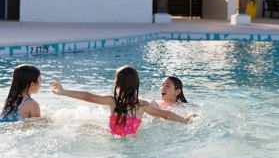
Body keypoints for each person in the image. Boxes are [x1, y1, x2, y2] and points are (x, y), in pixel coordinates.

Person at [51, 65, 196, 137]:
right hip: (133, 139)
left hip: (113, 135)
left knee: (84, 126)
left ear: (117, 84)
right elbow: (166, 114)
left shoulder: (112, 101)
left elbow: (87, 96)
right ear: (137, 85)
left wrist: (64, 92)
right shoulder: (142, 105)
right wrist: (184, 120)